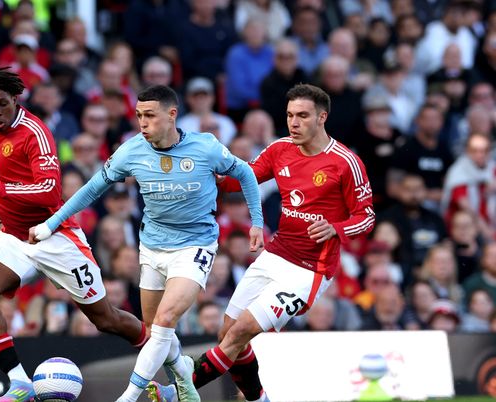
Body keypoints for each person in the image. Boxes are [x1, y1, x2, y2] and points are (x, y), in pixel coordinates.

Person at [30, 84, 264, 402]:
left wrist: (257, 223)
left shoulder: (206, 147)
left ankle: (129, 395)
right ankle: (183, 378)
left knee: (166, 321)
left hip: (194, 246)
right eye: (139, 115)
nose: (142, 123)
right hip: (151, 248)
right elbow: (91, 188)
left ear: (171, 115)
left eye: (149, 115)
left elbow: (247, 175)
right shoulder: (131, 151)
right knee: (156, 331)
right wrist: (51, 223)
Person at [147, 84, 375, 402]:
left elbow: (366, 217)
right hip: (276, 254)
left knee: (240, 332)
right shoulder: (280, 149)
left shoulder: (344, 162)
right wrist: (200, 168)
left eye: (303, 116)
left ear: (322, 117)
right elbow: (240, 179)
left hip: (309, 270)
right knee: (227, 333)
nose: (294, 123)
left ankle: (177, 392)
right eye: (290, 115)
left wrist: (336, 228)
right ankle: (259, 400)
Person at [0, 62, 146, 402]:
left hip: (52, 235)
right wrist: (4, 203)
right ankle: (20, 384)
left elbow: (49, 191)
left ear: (17, 99)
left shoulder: (35, 133)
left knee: (106, 319)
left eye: (3, 103)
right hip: (15, 235)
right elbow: (5, 168)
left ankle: (163, 354)